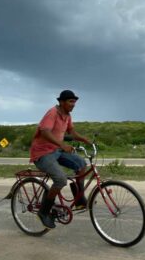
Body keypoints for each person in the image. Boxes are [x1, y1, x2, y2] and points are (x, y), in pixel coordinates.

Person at [29, 89, 92, 228]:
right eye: (70, 102)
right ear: (61, 102)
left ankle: (79, 199)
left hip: (56, 151)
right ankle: (44, 212)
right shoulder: (53, 113)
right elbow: (45, 132)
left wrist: (84, 139)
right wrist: (62, 145)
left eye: (74, 102)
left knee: (82, 165)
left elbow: (72, 132)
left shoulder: (67, 115)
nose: (73, 104)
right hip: (42, 153)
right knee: (61, 179)